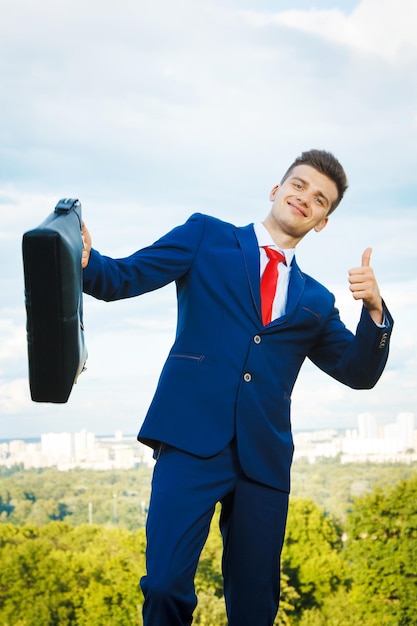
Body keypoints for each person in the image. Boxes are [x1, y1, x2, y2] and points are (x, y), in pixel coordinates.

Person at [81, 149, 393, 626]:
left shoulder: (316, 300)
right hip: (189, 439)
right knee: (164, 585)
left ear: (323, 222)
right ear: (276, 190)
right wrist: (82, 260)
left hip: (263, 460)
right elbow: (122, 277)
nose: (305, 199)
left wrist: (374, 311)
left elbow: (358, 372)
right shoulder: (206, 235)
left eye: (320, 200)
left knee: (254, 609)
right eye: (299, 185)